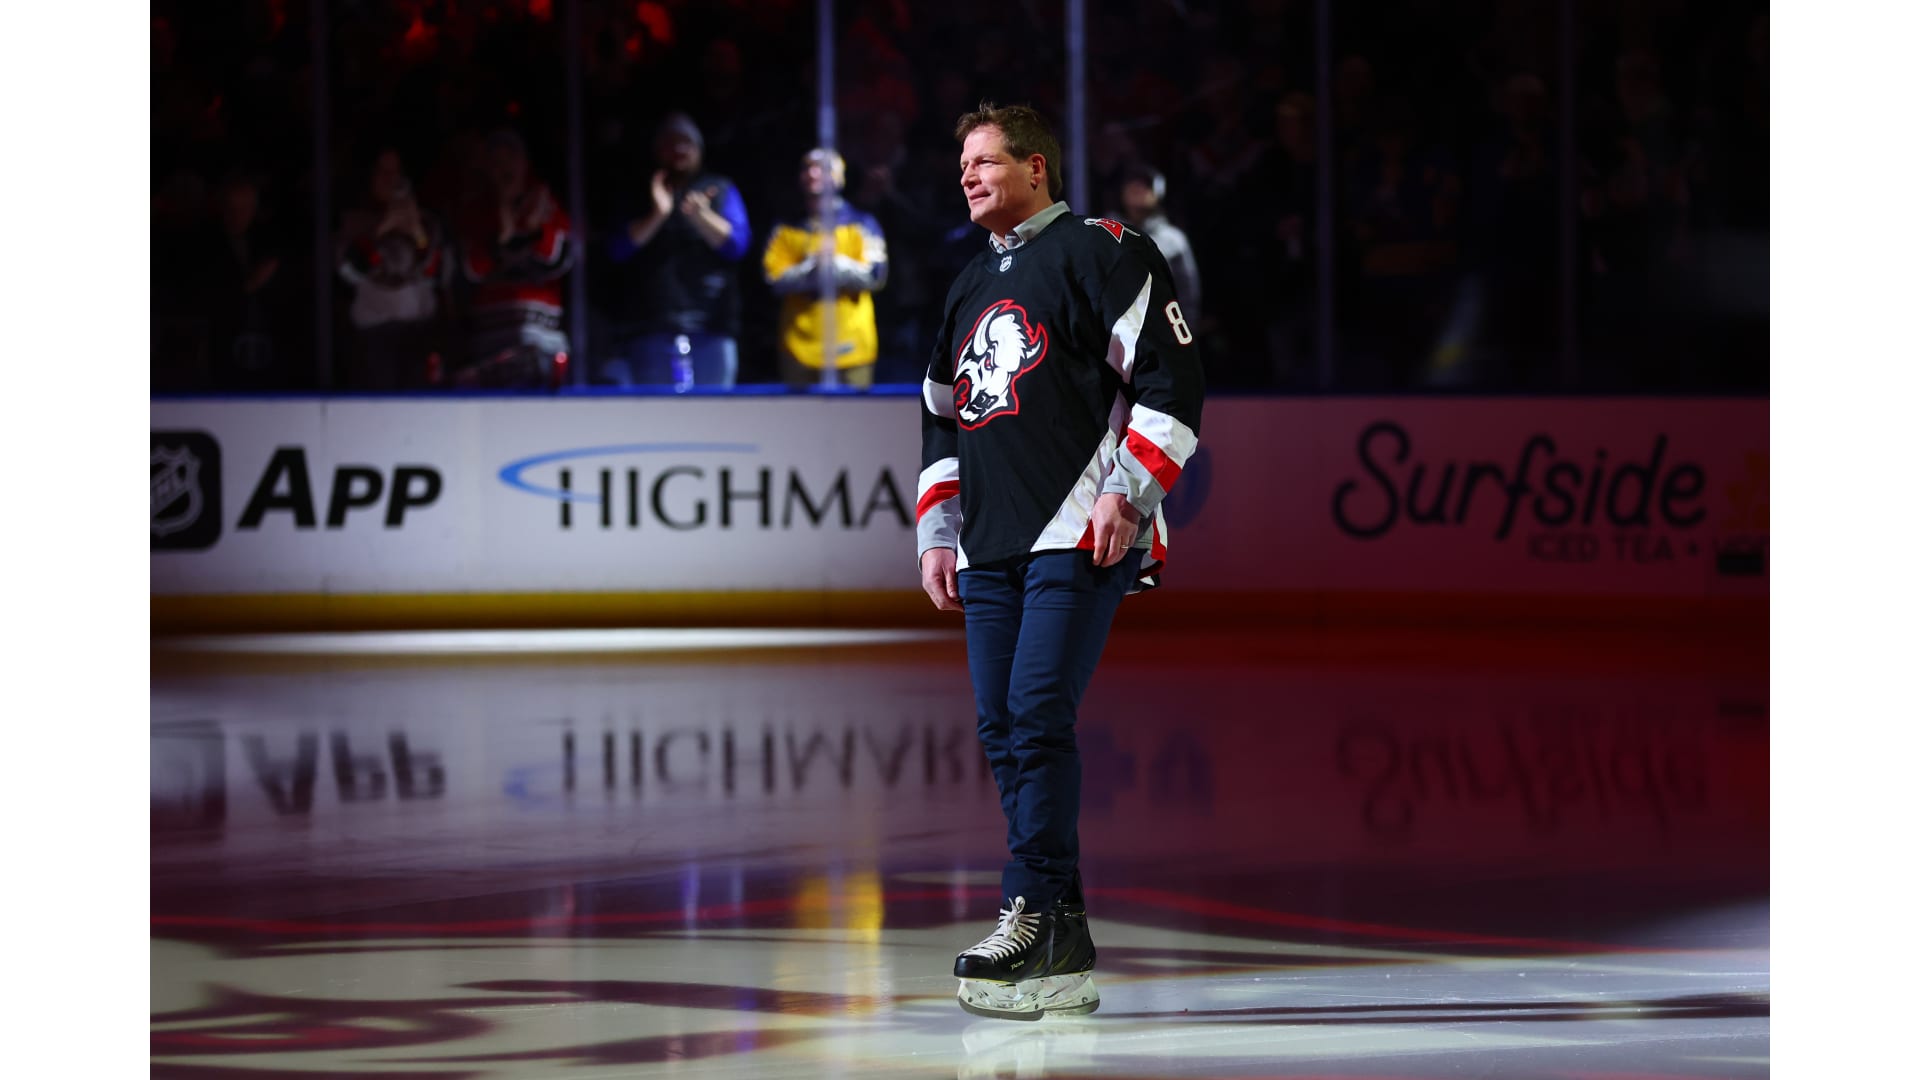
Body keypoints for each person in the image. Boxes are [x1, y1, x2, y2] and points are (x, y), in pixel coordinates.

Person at [916, 103, 1204, 1020]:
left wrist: (1130, 492)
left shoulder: (1103, 251)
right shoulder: (968, 283)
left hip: (1080, 530)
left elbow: (1172, 378)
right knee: (1003, 726)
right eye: (963, 163)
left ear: (1036, 167)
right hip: (989, 543)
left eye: (985, 160)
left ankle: (1031, 911)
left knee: (1037, 714)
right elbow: (940, 415)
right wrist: (938, 531)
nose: (967, 175)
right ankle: (1062, 937)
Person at [607, 112, 751, 389]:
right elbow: (618, 250)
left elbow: (737, 246)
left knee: (714, 412)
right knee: (657, 413)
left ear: (699, 149)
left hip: (711, 328)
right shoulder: (640, 192)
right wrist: (658, 214)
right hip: (652, 328)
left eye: (686, 142)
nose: (678, 149)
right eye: (670, 143)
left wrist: (701, 216)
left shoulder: (719, 189)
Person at [762, 148, 889, 389]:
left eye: (824, 168)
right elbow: (773, 278)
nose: (813, 173)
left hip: (852, 347)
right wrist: (813, 267)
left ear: (840, 177)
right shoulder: (786, 227)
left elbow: (876, 275)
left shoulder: (862, 224)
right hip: (798, 349)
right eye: (808, 167)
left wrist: (835, 264)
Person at [458, 129, 573, 388]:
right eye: (497, 162)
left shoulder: (545, 204)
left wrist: (534, 231)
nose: (505, 168)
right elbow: (472, 270)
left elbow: (558, 261)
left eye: (511, 158)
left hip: (541, 341)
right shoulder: (478, 211)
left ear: (524, 163)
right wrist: (500, 231)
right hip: (491, 341)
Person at [336, 148, 448, 389]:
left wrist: (417, 233)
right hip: (374, 338)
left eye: (395, 172)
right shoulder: (354, 222)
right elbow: (349, 273)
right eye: (383, 171)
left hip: (419, 334)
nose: (390, 179)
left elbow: (437, 275)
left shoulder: (426, 222)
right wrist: (382, 228)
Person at [1116, 162, 1202, 327]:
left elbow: (1187, 292)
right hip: (1114, 332)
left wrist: (1185, 330)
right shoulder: (1105, 233)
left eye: (1146, 185)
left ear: (1159, 193)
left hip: (1160, 328)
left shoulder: (1174, 240)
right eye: (1132, 183)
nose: (1138, 188)